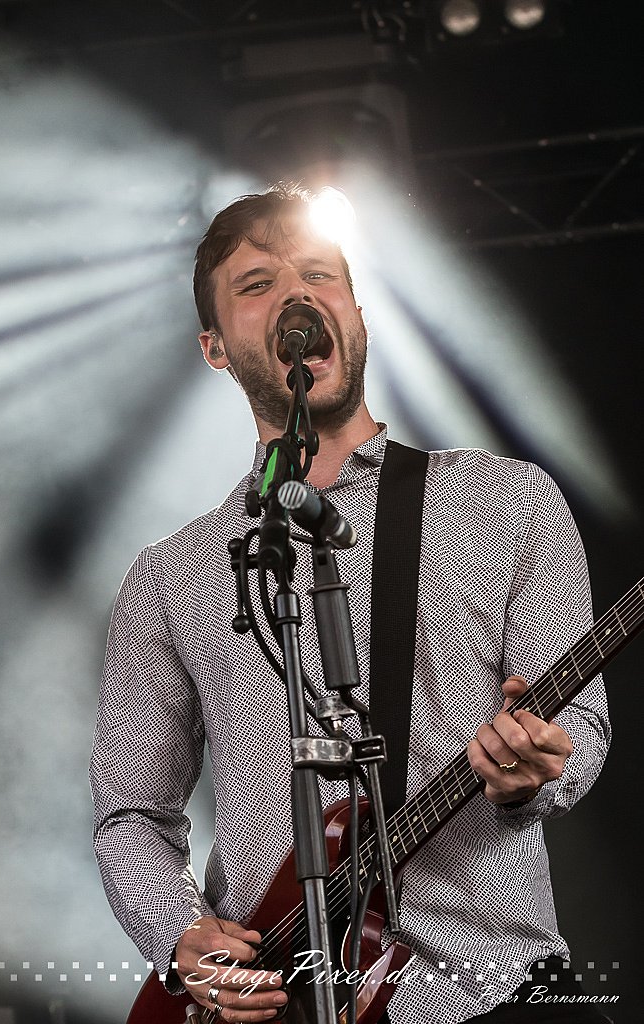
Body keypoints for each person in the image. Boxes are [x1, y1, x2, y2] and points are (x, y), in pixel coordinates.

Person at [90, 183, 612, 1024]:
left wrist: (534, 770)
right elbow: (130, 813)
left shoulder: (505, 502)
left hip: (491, 990)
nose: (295, 296)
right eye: (256, 284)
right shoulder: (169, 576)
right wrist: (182, 936)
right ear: (215, 347)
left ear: (357, 317)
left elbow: (578, 725)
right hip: (285, 999)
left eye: (318, 274)